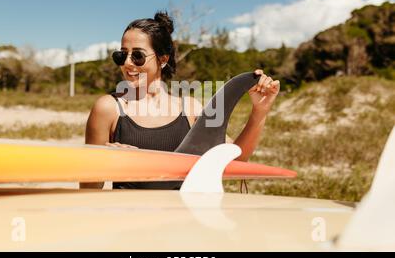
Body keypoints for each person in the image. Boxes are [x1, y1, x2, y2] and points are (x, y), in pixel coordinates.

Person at [84, 11, 280, 189]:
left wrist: (259, 111)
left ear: (163, 59)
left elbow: (236, 160)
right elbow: (88, 189)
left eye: (137, 56)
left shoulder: (191, 108)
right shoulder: (108, 108)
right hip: (129, 222)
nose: (127, 63)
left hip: (182, 224)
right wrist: (105, 161)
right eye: (121, 55)